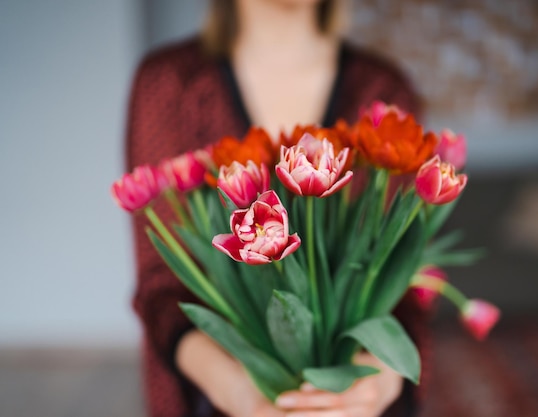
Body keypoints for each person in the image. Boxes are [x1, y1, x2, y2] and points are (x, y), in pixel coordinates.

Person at [126, 0, 430, 416]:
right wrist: (235, 391)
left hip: (358, 397)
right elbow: (161, 286)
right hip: (219, 394)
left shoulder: (383, 89)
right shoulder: (169, 84)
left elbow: (404, 274)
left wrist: (381, 377)